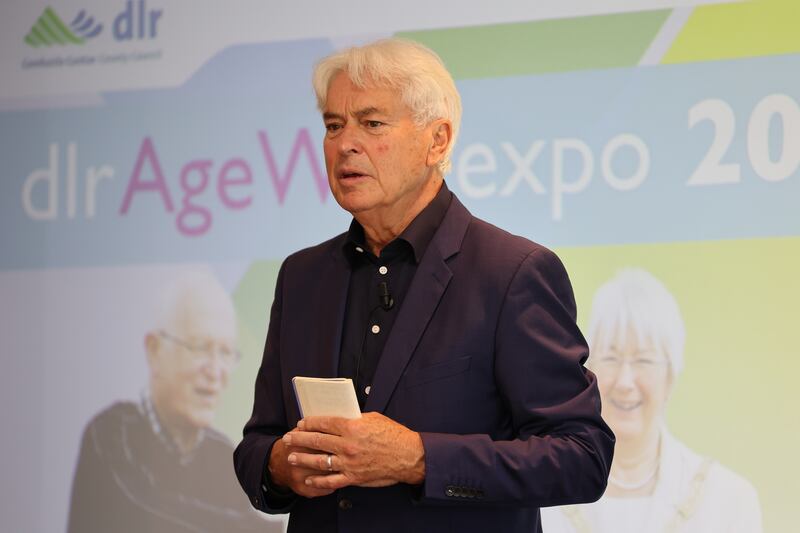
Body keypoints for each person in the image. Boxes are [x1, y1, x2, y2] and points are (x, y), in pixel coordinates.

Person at [233, 38, 615, 533]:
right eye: (333, 125)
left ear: (437, 141)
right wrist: (281, 466)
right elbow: (257, 447)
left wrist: (419, 459)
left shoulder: (513, 272)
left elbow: (581, 458)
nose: (345, 143)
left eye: (371, 124)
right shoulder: (302, 277)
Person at [541, 268, 762, 532]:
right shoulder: (545, 491)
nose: (625, 382)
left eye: (643, 360)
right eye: (610, 358)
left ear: (670, 375)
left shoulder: (727, 498)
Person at [67, 270, 281, 533]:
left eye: (225, 352)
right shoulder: (111, 432)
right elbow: (145, 508)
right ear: (154, 349)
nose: (215, 371)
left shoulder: (221, 453)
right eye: (200, 347)